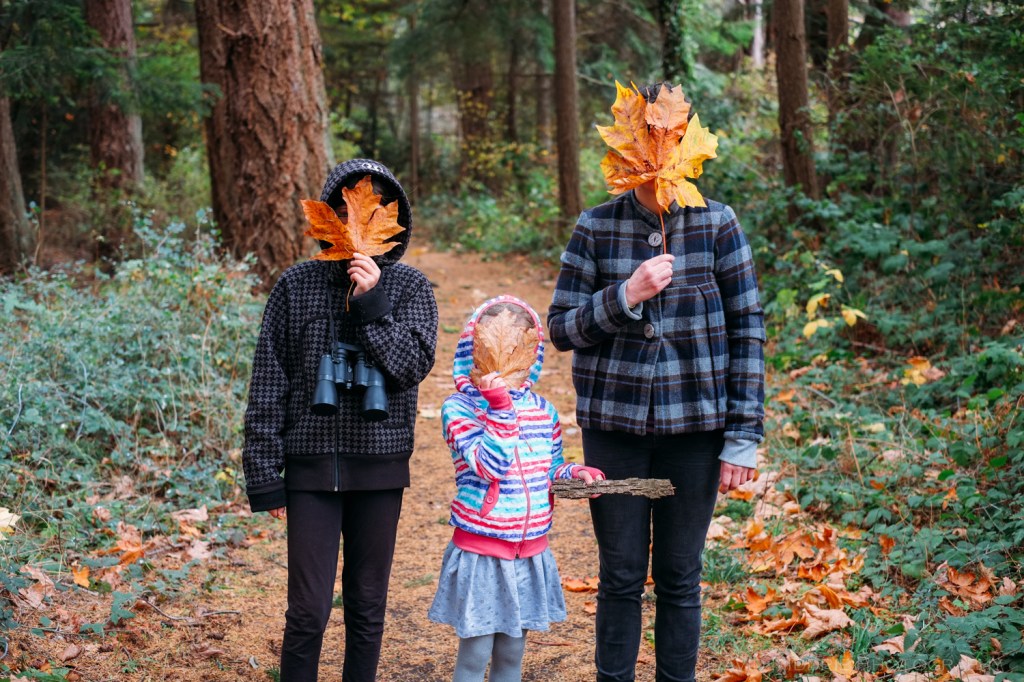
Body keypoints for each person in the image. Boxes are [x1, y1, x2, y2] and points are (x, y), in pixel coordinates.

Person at [547, 85, 766, 682]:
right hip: (614, 434)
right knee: (619, 575)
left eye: (670, 137)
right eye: (647, 137)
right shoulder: (595, 227)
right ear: (629, 146)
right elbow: (561, 329)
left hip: (694, 435)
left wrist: (742, 436)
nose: (659, 149)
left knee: (679, 576)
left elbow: (748, 329)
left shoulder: (717, 224)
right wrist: (626, 296)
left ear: (686, 144)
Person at [242, 158, 438, 682]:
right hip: (309, 470)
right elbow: (268, 380)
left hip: (379, 466)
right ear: (327, 217)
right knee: (306, 611)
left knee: (367, 607)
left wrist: (373, 301)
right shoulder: (296, 285)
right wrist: (264, 473)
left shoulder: (412, 288)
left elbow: (411, 367)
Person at [428, 295, 605, 682]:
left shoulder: (543, 411)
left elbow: (551, 469)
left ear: (532, 354)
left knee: (512, 655)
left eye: (518, 350)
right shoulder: (458, 409)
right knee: (474, 658)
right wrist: (499, 408)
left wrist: (574, 474)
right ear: (473, 352)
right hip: (482, 553)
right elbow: (490, 465)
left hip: (529, 555)